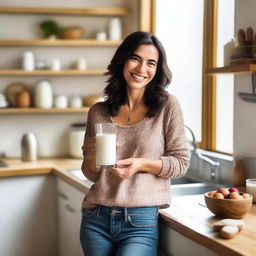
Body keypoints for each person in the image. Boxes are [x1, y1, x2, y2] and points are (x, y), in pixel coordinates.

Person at [80, 31, 190, 256]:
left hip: (140, 221)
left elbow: (181, 163)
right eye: (135, 59)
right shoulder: (98, 111)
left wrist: (140, 164)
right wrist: (91, 159)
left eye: (151, 63)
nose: (141, 69)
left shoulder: (167, 106)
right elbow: (91, 174)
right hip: (96, 218)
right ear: (122, 60)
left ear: (157, 70)